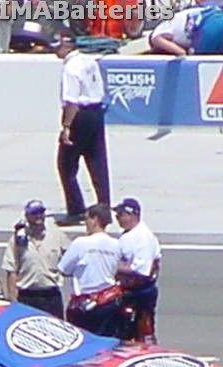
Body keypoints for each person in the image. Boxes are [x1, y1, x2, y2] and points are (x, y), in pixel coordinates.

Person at [52, 32, 109, 227]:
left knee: (66, 165)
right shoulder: (89, 61)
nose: (55, 51)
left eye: (57, 46)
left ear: (68, 46)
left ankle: (75, 209)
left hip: (79, 116)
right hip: (96, 113)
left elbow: (72, 101)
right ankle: (104, 207)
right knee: (98, 162)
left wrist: (66, 127)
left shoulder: (70, 68)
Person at [57, 203, 122, 336]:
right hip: (109, 301)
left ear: (95, 220)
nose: (85, 223)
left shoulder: (81, 243)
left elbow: (63, 269)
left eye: (87, 219)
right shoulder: (116, 244)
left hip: (85, 304)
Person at [2, 199, 69, 319]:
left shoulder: (56, 234)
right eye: (34, 213)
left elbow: (71, 256)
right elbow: (11, 269)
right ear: (27, 216)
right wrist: (12, 299)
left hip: (51, 295)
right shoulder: (18, 239)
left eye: (41, 212)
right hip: (27, 296)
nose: (38, 216)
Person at [113, 196, 161, 343]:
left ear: (132, 215)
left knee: (143, 332)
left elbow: (141, 270)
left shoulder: (143, 238)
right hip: (127, 291)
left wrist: (113, 266)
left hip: (140, 293)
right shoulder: (129, 234)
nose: (117, 218)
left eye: (120, 215)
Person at [148, 0, 223, 56]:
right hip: (219, 16)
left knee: (203, 64)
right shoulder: (172, 22)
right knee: (217, 64)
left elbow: (182, 53)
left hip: (207, 26)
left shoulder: (156, 36)